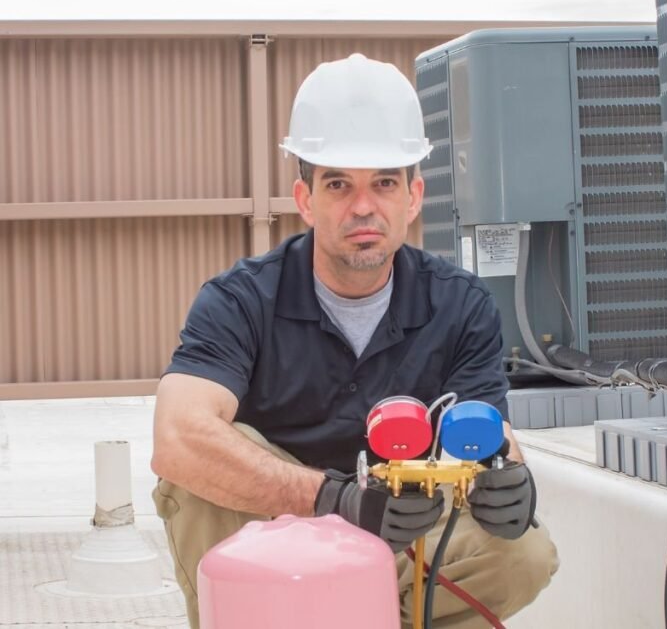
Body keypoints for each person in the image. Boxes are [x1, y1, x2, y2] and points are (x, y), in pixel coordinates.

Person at [151, 53, 559, 628]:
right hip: (269, 540)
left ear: (412, 197)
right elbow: (176, 437)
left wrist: (508, 480)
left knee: (523, 554)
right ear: (305, 199)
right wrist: (333, 499)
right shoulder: (240, 300)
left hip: (402, 534)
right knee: (207, 459)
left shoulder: (460, 304)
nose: (363, 206)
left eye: (384, 183)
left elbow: (489, 431)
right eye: (339, 183)